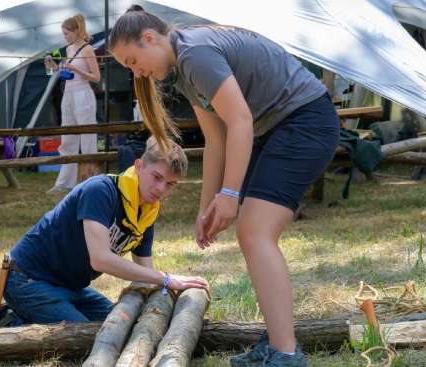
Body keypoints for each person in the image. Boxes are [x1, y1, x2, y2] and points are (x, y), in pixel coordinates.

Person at [109, 6, 340, 366]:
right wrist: (207, 205)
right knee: (253, 234)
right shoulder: (183, 67)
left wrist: (230, 195)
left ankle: (287, 354)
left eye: (133, 60)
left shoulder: (195, 54)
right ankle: (278, 340)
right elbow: (216, 138)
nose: (136, 72)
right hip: (280, 126)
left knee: (254, 232)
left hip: (304, 121)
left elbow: (240, 121)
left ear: (150, 38)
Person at [4, 137, 208, 324]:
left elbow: (144, 275)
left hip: (70, 287)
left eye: (170, 184)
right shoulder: (101, 190)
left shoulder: (146, 210)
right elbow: (100, 259)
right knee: (87, 339)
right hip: (26, 279)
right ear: (138, 166)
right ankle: (10, 322)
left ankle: (30, 315)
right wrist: (166, 279)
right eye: (157, 177)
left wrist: (170, 294)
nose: (161, 189)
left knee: (120, 326)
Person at [45, 14, 101, 195]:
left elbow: (97, 77)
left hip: (83, 94)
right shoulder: (69, 49)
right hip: (68, 94)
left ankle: (89, 181)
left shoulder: (87, 49)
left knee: (87, 138)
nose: (65, 37)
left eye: (67, 33)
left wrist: (75, 69)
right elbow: (67, 74)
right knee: (68, 138)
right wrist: (55, 67)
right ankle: (64, 183)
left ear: (77, 31)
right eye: (63, 34)